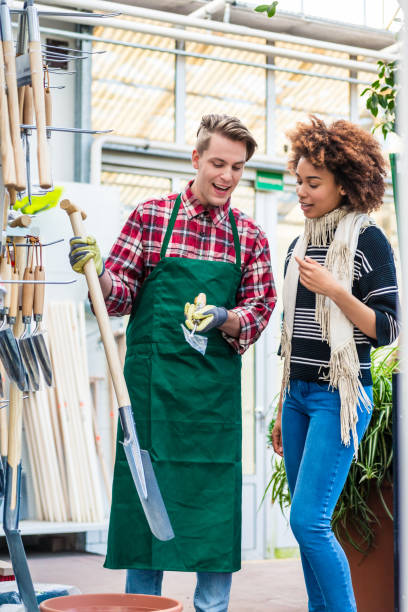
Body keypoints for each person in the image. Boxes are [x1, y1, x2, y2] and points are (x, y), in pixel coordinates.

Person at [69, 114, 276, 612]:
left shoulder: (248, 236)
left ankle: (212, 608)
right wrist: (93, 273)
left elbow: (261, 308)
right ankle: (143, 607)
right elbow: (117, 296)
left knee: (212, 513)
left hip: (211, 409)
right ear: (196, 159)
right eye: (218, 163)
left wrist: (224, 316)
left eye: (238, 168)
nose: (227, 177)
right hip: (151, 401)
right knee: (147, 506)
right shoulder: (152, 217)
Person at [272, 115, 399, 612]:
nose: (301, 192)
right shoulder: (297, 247)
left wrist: (336, 291)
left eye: (313, 183)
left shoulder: (368, 242)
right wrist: (280, 406)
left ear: (344, 185)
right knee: (305, 529)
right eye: (298, 181)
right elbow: (292, 340)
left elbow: (387, 329)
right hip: (299, 396)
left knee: (310, 521)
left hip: (340, 398)